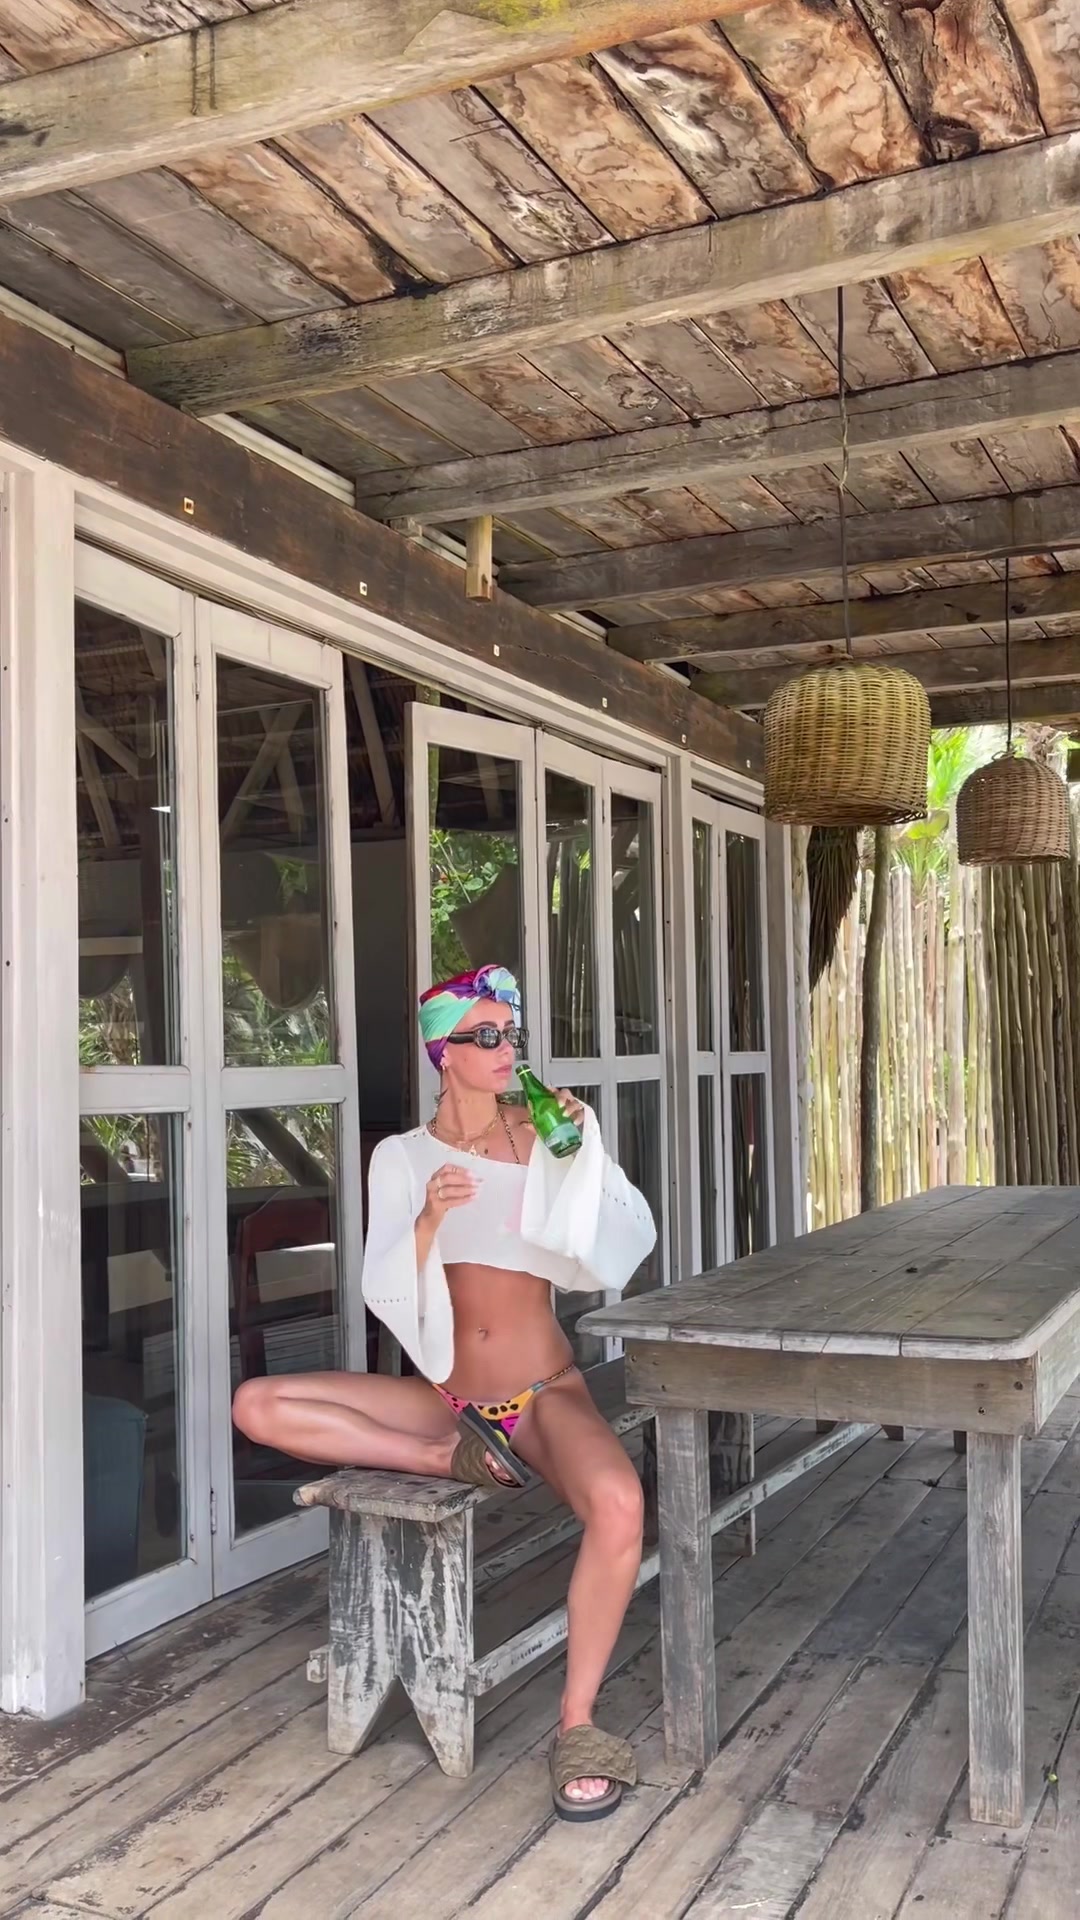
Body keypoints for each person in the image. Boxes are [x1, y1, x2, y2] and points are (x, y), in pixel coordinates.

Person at [232, 962, 657, 1822]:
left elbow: (612, 1245)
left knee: (619, 1504)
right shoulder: (401, 1158)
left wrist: (583, 1153)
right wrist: (428, 1218)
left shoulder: (544, 1132)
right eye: (487, 1035)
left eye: (512, 1034)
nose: (507, 1049)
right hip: (447, 1401)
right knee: (256, 1406)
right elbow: (385, 1285)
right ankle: (437, 1458)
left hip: (540, 1392)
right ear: (444, 1052)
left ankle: (577, 1721)